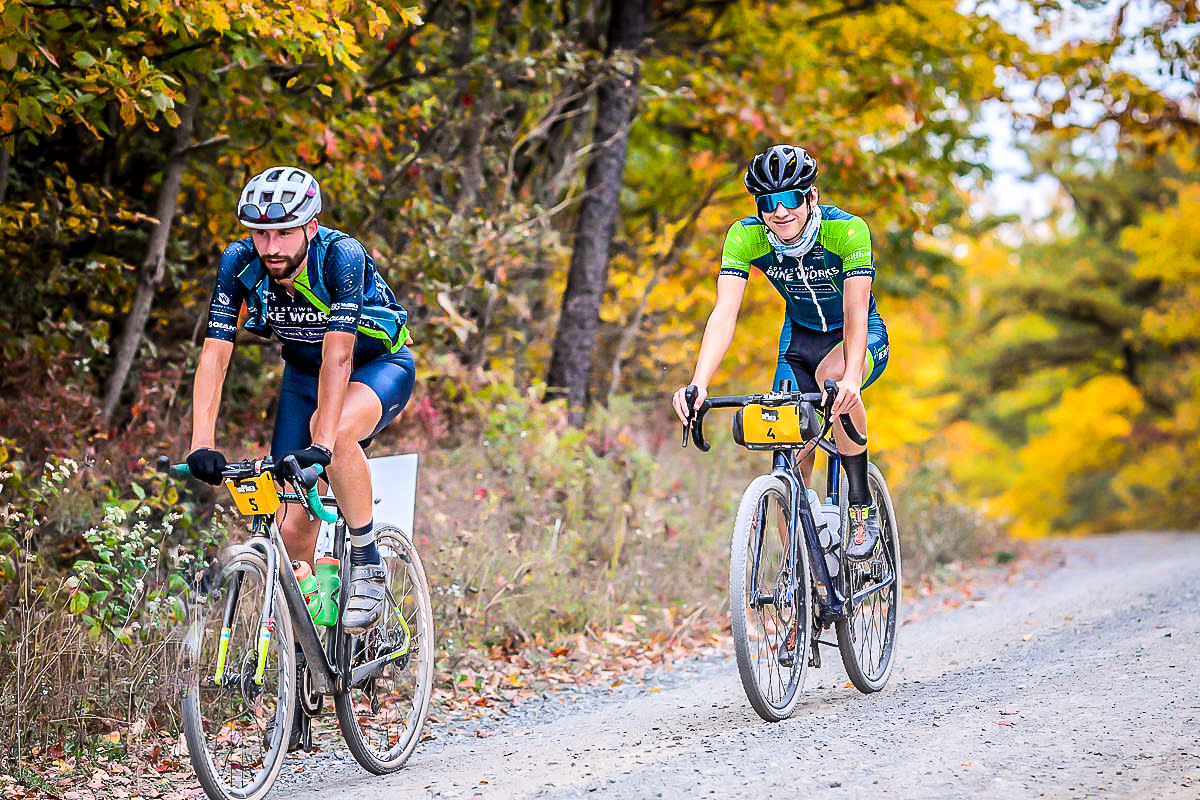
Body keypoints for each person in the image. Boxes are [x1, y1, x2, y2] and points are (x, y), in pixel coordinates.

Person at [187, 165, 415, 634]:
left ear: (310, 227)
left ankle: (368, 560)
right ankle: (311, 648)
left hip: (378, 365)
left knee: (331, 433)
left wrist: (325, 443)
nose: (270, 248)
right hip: (303, 376)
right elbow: (214, 354)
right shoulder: (239, 262)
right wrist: (200, 444)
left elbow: (339, 356)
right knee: (291, 528)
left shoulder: (340, 257)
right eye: (260, 234)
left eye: (284, 233)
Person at [671, 145, 889, 560]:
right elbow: (724, 313)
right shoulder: (745, 236)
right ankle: (803, 581)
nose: (779, 212)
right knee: (788, 454)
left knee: (834, 386)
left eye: (790, 199)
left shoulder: (847, 231)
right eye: (767, 202)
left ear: (812, 197)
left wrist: (852, 380)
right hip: (798, 341)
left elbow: (856, 311)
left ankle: (859, 504)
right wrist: (698, 383)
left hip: (856, 335)